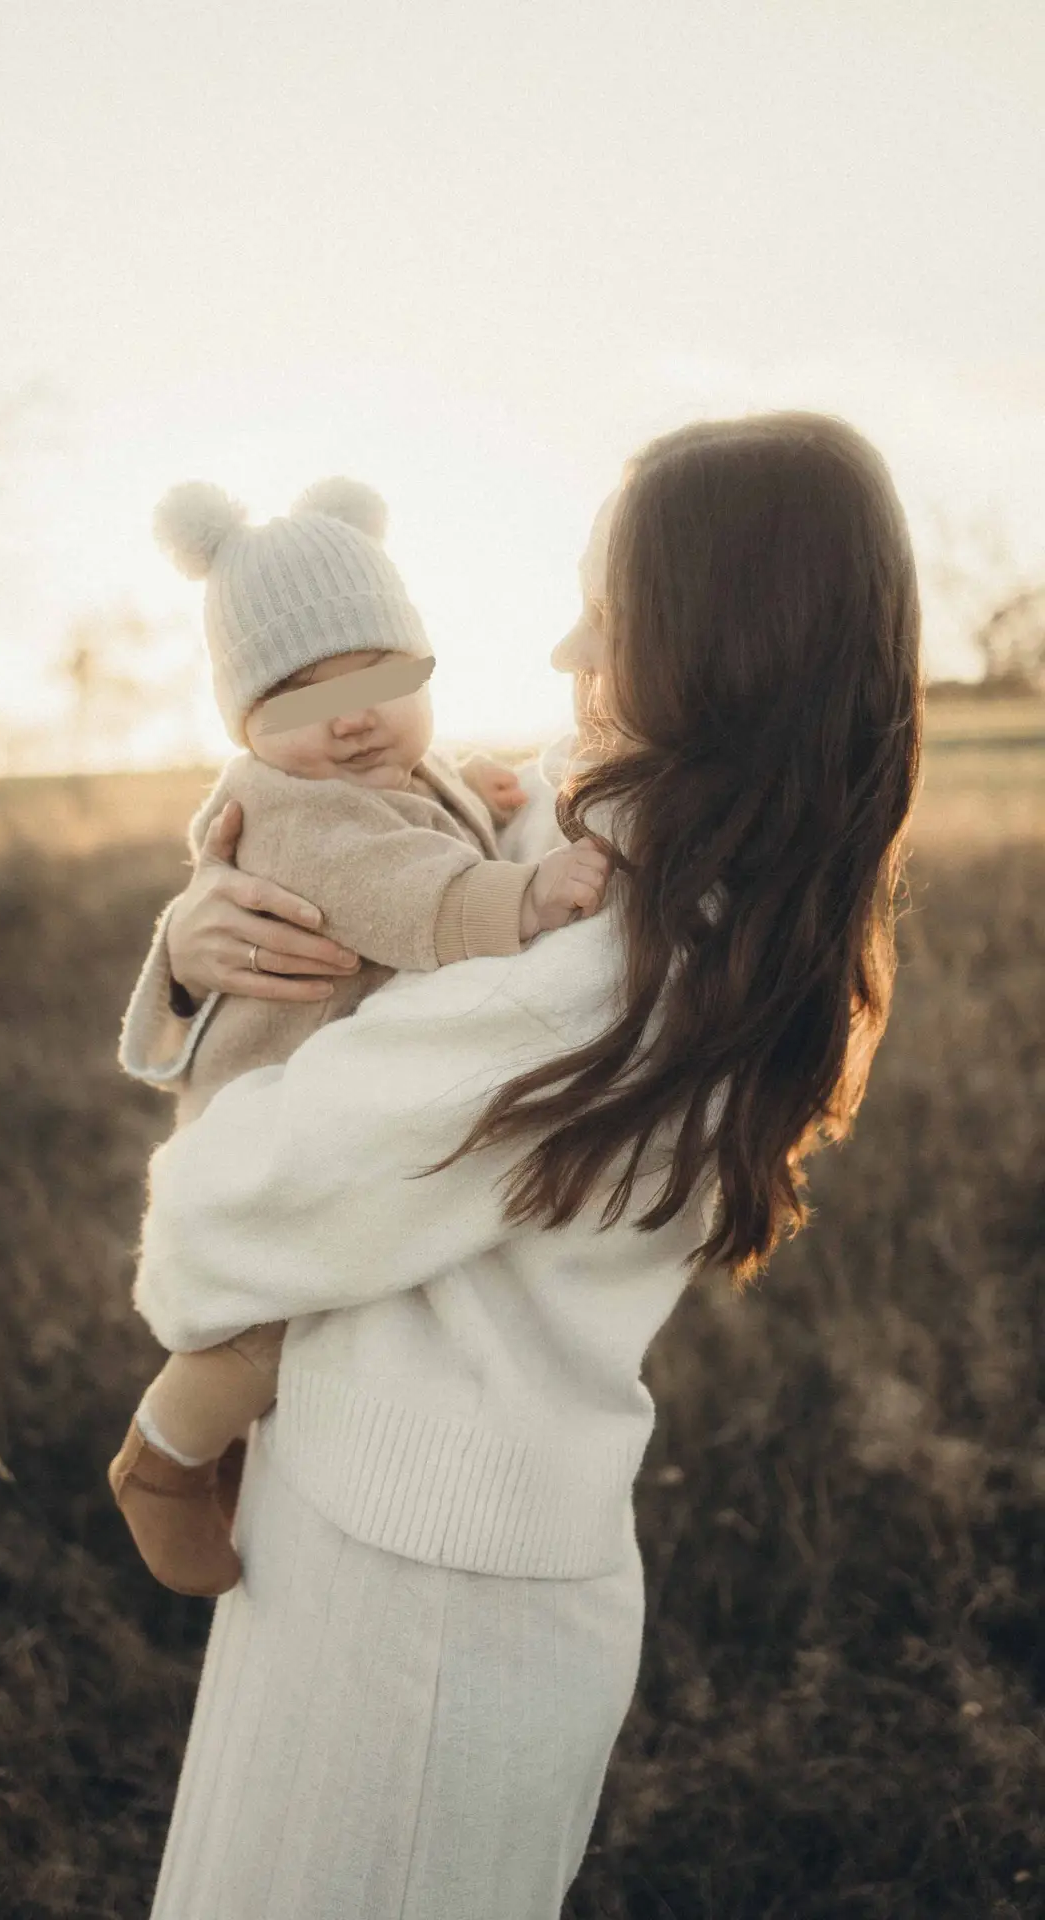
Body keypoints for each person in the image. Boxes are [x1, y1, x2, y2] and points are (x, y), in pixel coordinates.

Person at [125, 413, 922, 1920]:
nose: (563, 651)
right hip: (418, 1538)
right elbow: (404, 842)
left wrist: (256, 1001)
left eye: (607, 616)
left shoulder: (600, 971)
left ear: (713, 649)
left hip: (417, 1599)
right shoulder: (703, 878)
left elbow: (220, 1219)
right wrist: (195, 934)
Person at [109, 475, 613, 1597]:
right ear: (243, 721)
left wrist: (482, 795)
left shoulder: (392, 766)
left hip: (328, 1085)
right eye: (299, 694)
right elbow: (401, 888)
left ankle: (228, 1455)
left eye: (379, 676)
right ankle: (167, 1456)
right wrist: (526, 893)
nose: (351, 717)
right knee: (273, 1306)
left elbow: (424, 812)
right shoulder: (293, 807)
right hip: (267, 1096)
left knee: (314, 1290)